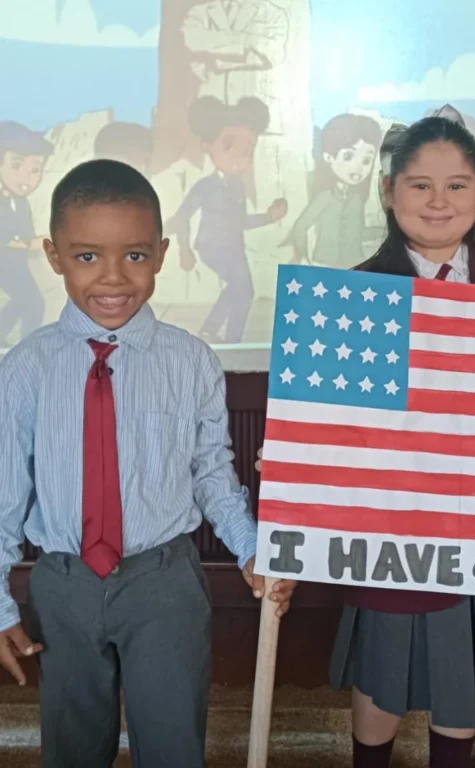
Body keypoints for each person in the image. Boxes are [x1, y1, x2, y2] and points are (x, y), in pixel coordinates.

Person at [271, 116, 475, 768]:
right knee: (383, 674)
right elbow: (335, 430)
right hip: (389, 525)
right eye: (419, 184)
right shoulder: (356, 293)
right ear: (389, 190)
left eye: (456, 184)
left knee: (465, 674)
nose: (438, 201)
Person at [0, 159, 297, 768]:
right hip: (64, 584)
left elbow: (213, 472)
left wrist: (249, 549)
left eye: (134, 256)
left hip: (164, 583)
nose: (113, 278)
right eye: (87, 257)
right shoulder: (27, 367)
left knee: (172, 744)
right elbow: (6, 491)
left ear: (162, 253)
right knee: (73, 746)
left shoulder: (190, 362)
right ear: (54, 256)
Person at [168, 95, 287, 344]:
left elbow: (241, 222)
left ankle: (216, 332)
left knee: (241, 289)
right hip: (212, 246)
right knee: (243, 289)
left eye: (247, 150)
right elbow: (182, 217)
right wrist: (184, 250)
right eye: (229, 146)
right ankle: (231, 338)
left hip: (234, 247)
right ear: (206, 145)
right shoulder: (205, 186)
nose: (239, 157)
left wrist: (268, 217)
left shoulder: (237, 188)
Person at [284, 113, 382, 269]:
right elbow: (300, 227)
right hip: (325, 264)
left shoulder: (357, 199)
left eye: (366, 160)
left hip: (354, 265)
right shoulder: (325, 197)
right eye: (349, 156)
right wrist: (302, 256)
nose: (358, 167)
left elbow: (357, 233)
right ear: (329, 157)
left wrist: (384, 232)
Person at [0, 121, 53, 345]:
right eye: (17, 165)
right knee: (33, 303)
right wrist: (29, 244)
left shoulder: (21, 203)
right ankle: (31, 349)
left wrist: (35, 241)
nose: (27, 178)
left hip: (15, 264)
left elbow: (26, 234)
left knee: (25, 301)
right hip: (4, 263)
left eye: (35, 170)